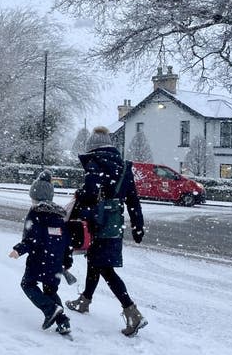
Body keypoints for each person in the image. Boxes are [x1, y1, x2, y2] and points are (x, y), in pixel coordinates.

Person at [65, 126, 147, 337]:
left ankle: (132, 311)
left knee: (105, 269)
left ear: (93, 147)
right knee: (96, 262)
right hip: (114, 223)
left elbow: (91, 193)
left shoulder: (95, 163)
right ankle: (84, 301)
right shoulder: (124, 167)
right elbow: (133, 202)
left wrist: (80, 194)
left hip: (97, 223)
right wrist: (138, 227)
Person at [9, 169, 73, 335]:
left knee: (27, 284)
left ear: (35, 197)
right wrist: (67, 260)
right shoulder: (59, 215)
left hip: (39, 260)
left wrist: (18, 249)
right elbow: (66, 241)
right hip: (56, 262)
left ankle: (50, 309)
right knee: (50, 290)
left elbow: (32, 239)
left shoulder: (35, 213)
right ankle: (63, 321)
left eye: (32, 198)